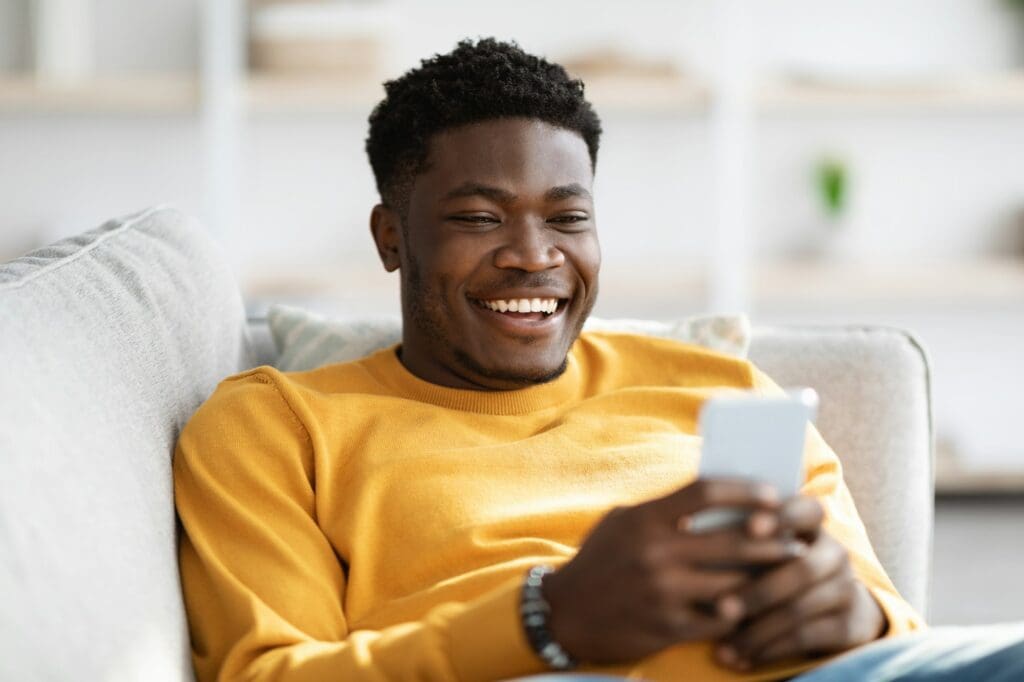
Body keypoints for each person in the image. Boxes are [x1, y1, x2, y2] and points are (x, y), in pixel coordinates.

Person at [173, 38, 1022, 681]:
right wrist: (547, 621)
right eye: (479, 218)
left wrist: (857, 619)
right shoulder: (273, 424)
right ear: (392, 237)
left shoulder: (721, 386)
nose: (533, 255)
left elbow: (901, 635)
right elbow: (269, 673)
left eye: (567, 218)